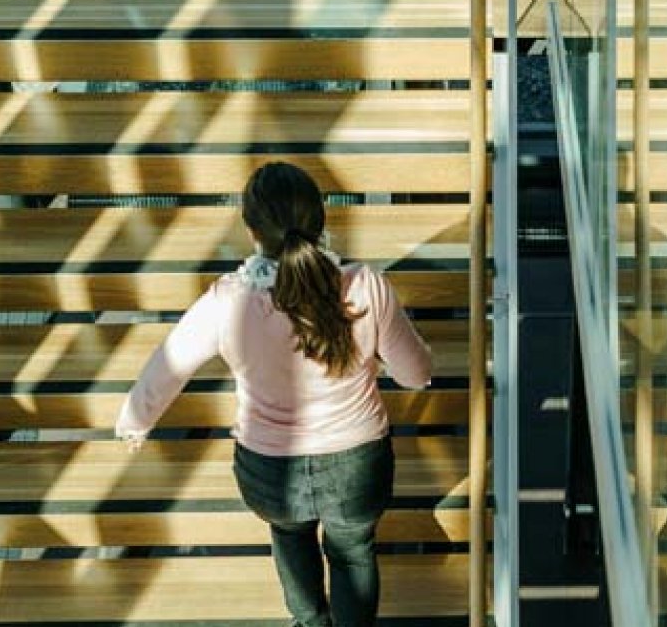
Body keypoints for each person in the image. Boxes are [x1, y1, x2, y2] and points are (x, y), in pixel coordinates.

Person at [115, 162, 431, 627]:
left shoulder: (227, 302)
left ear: (251, 231)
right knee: (353, 552)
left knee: (289, 537)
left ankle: (309, 622)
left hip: (269, 468)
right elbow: (414, 373)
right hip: (357, 464)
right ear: (323, 220)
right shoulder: (365, 287)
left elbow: (170, 364)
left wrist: (134, 420)